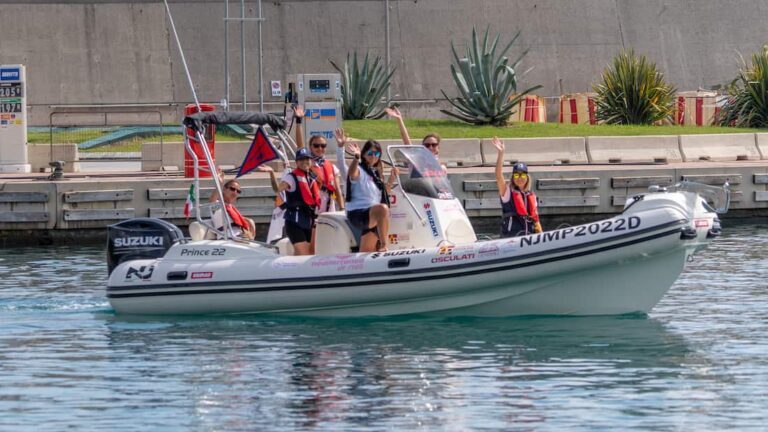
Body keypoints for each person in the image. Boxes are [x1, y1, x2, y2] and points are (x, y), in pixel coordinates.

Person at [342, 137, 398, 252]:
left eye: (377, 153)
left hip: (372, 215)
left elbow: (384, 194)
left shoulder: (375, 174)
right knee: (383, 209)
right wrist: (356, 158)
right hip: (358, 214)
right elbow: (352, 173)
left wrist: (391, 179)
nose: (374, 156)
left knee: (367, 251)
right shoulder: (359, 169)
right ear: (364, 154)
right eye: (371, 153)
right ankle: (383, 245)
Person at [293, 105, 345, 213]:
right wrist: (299, 121)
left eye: (323, 145)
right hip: (313, 209)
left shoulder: (331, 167)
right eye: (316, 145)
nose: (319, 148)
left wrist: (342, 208)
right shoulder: (307, 163)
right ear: (310, 147)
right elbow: (300, 146)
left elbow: (337, 189)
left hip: (330, 209)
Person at [491, 136, 543, 238]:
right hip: (512, 239)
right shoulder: (507, 193)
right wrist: (501, 154)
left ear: (527, 177)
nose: (519, 178)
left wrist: (542, 236)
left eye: (523, 175)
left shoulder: (531, 195)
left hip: (529, 238)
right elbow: (498, 176)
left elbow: (536, 220)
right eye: (516, 175)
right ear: (513, 177)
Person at [272, 148, 320, 255]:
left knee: (307, 254)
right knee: (304, 254)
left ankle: (291, 270)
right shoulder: (291, 178)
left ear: (311, 161)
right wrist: (271, 173)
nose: (304, 162)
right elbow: (277, 189)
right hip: (294, 222)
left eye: (307, 159)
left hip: (309, 222)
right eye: (301, 159)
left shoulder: (311, 178)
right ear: (297, 162)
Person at [384, 106, 447, 171]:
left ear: (438, 147)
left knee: (443, 168)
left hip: (434, 179)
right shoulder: (417, 160)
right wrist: (399, 119)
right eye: (427, 145)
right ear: (423, 147)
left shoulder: (441, 166)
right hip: (416, 181)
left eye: (433, 145)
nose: (430, 147)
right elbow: (406, 142)